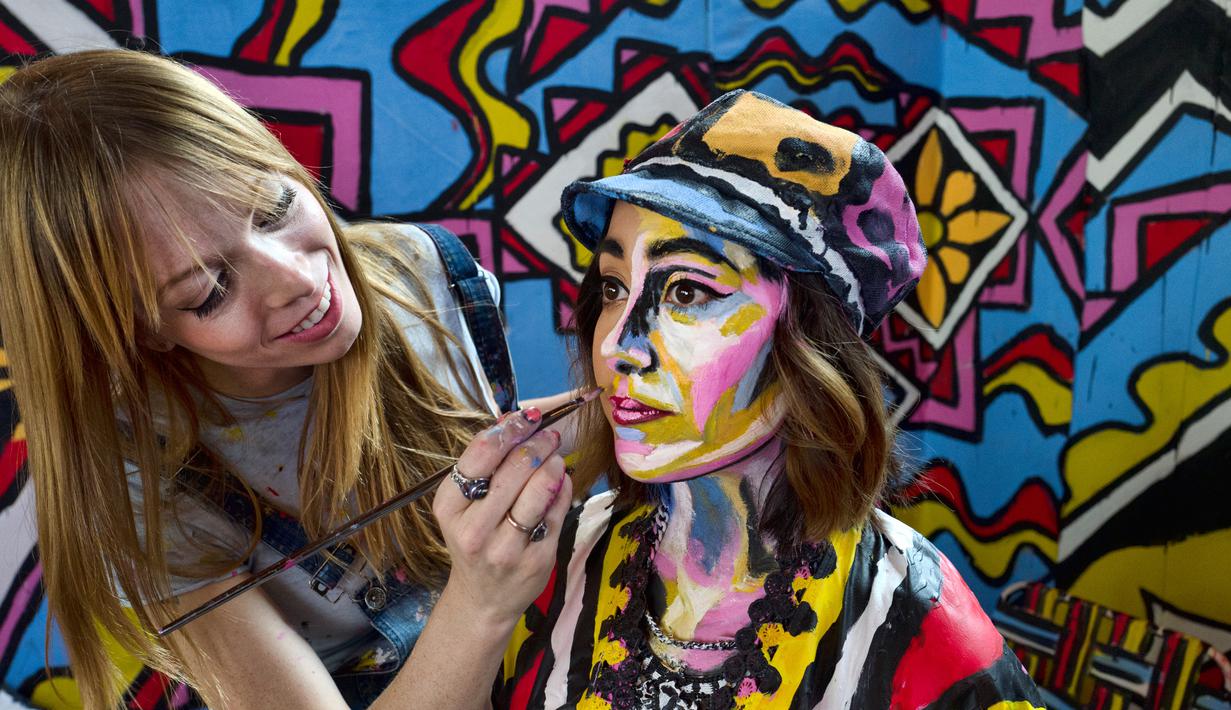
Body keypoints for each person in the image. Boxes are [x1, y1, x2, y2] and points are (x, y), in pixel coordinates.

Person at [0, 49, 571, 709]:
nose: (298, 282)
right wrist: (482, 603)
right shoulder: (140, 486)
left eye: (272, 208)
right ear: (142, 331)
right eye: (211, 288)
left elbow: (506, 453)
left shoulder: (420, 274)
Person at [494, 90, 1044, 709]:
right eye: (615, 286)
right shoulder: (553, 561)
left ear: (808, 343)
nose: (619, 344)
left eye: (687, 292)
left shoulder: (917, 623)